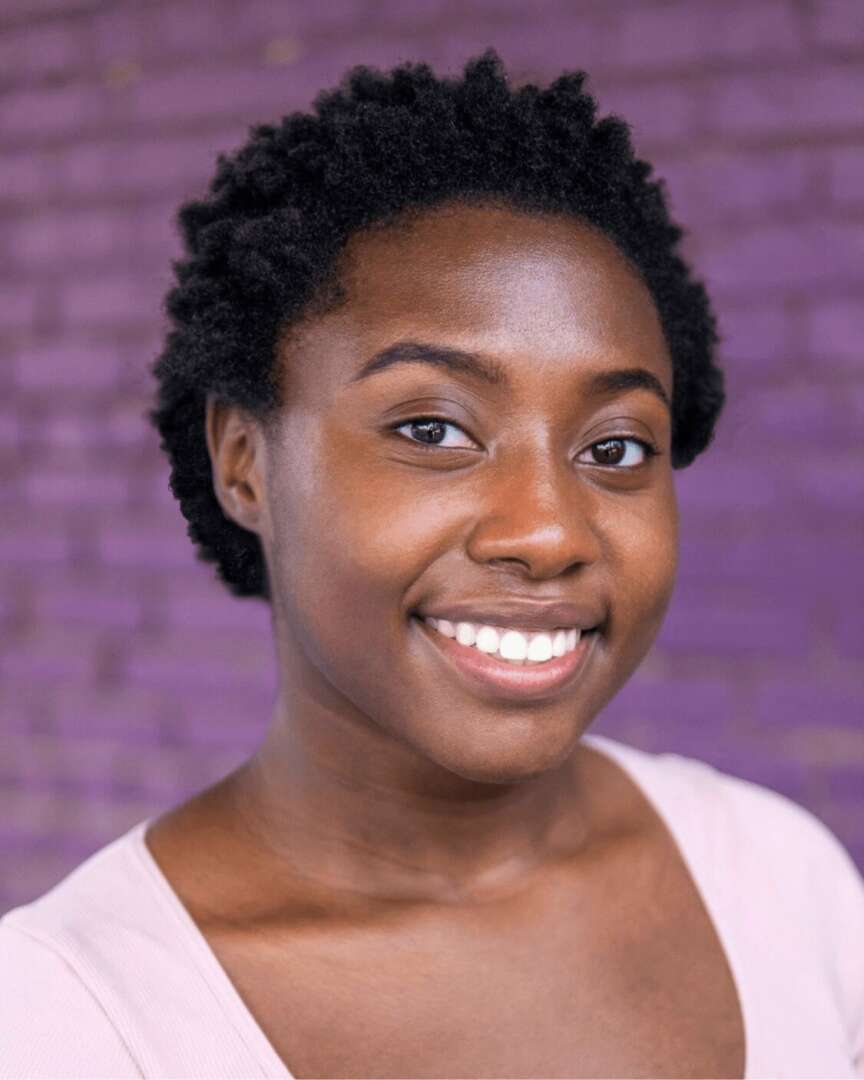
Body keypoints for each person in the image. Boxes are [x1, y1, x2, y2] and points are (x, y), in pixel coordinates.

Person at [1, 49, 862, 1080]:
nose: (549, 533)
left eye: (617, 447)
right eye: (433, 430)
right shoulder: (69, 1020)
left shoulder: (780, 883)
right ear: (243, 463)